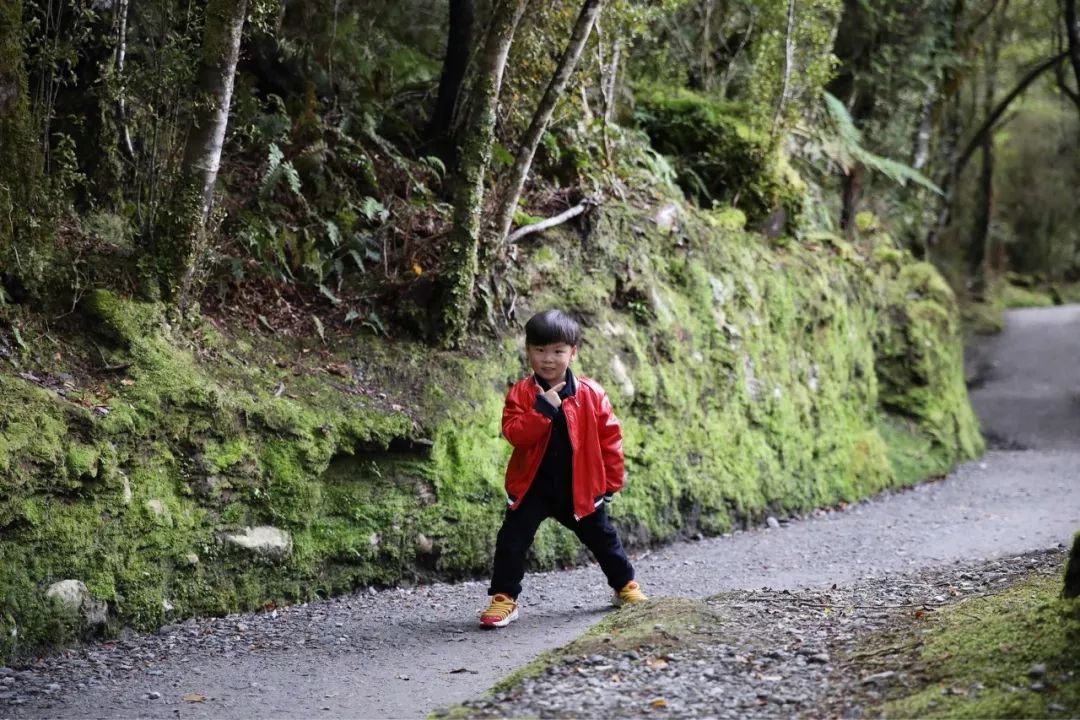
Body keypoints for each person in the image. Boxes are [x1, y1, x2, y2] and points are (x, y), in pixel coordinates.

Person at [480, 309, 647, 628]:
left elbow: (611, 437)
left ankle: (625, 586)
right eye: (539, 350)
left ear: (573, 352)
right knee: (512, 541)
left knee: (603, 537)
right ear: (528, 350)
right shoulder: (521, 393)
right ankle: (504, 597)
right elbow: (515, 434)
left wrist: (611, 483)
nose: (548, 359)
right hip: (532, 487)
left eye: (558, 351)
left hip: (579, 486)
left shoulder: (591, 393)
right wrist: (542, 410)